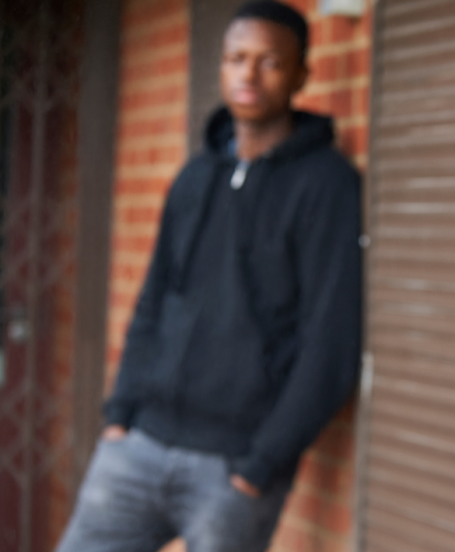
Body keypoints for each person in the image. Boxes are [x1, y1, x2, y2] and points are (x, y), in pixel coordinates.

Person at [56, 2, 362, 551]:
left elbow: (331, 341)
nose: (248, 74)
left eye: (269, 61)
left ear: (300, 75)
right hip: (138, 446)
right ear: (220, 66)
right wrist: (120, 414)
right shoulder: (194, 176)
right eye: (236, 58)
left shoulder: (328, 185)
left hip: (234, 469)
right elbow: (152, 301)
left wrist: (261, 462)